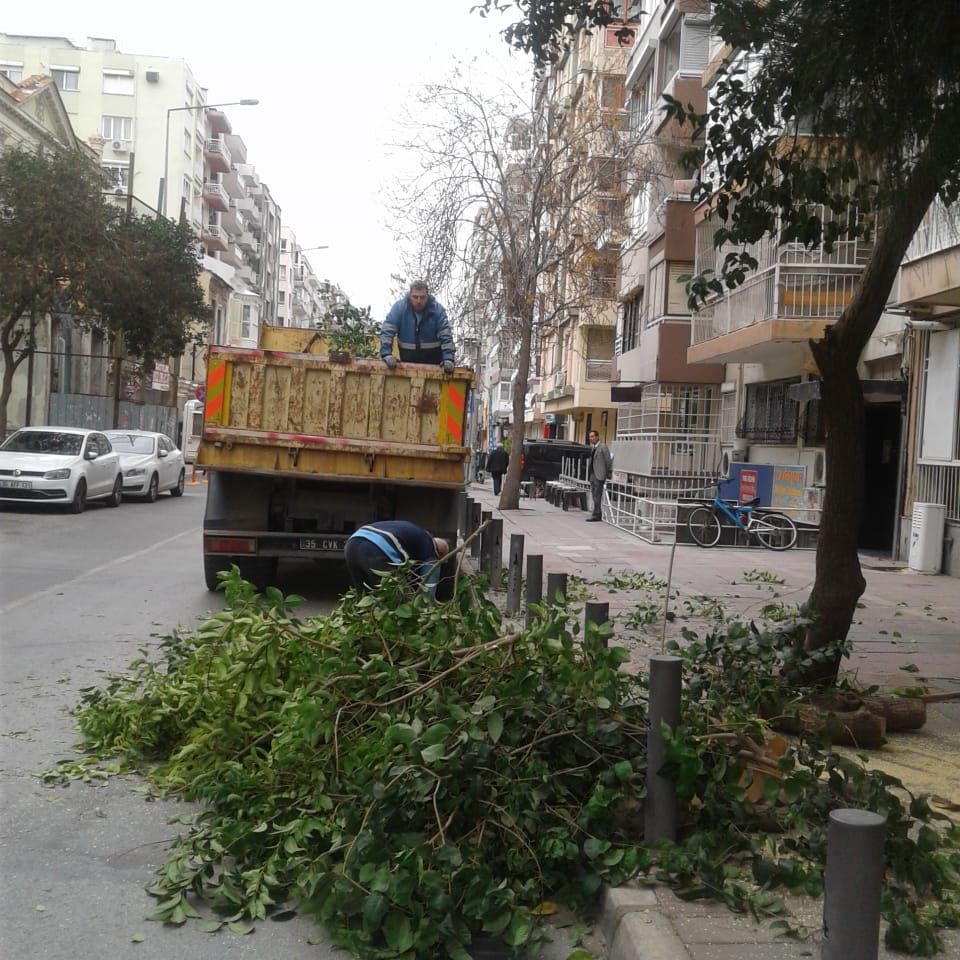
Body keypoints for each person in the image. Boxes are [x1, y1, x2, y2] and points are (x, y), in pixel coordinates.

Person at [344, 520, 451, 600]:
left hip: (352, 544)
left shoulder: (415, 534)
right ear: (439, 553)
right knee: (399, 598)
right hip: (376, 549)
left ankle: (364, 622)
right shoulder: (430, 548)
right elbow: (428, 587)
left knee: (363, 595)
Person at [380, 281, 456, 372]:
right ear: (410, 295)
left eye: (422, 297)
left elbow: (446, 336)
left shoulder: (437, 311)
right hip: (407, 363)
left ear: (427, 296)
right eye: (415, 297)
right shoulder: (399, 308)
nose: (419, 301)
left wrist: (448, 359)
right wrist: (386, 354)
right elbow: (387, 330)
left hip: (434, 364)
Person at [586, 429, 613, 522]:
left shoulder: (603, 447)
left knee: (597, 496)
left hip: (599, 475)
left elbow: (608, 461)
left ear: (597, 437)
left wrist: (606, 473)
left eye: (593, 436)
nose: (591, 438)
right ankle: (597, 513)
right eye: (590, 437)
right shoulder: (593, 448)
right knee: (594, 495)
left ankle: (596, 515)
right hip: (593, 475)